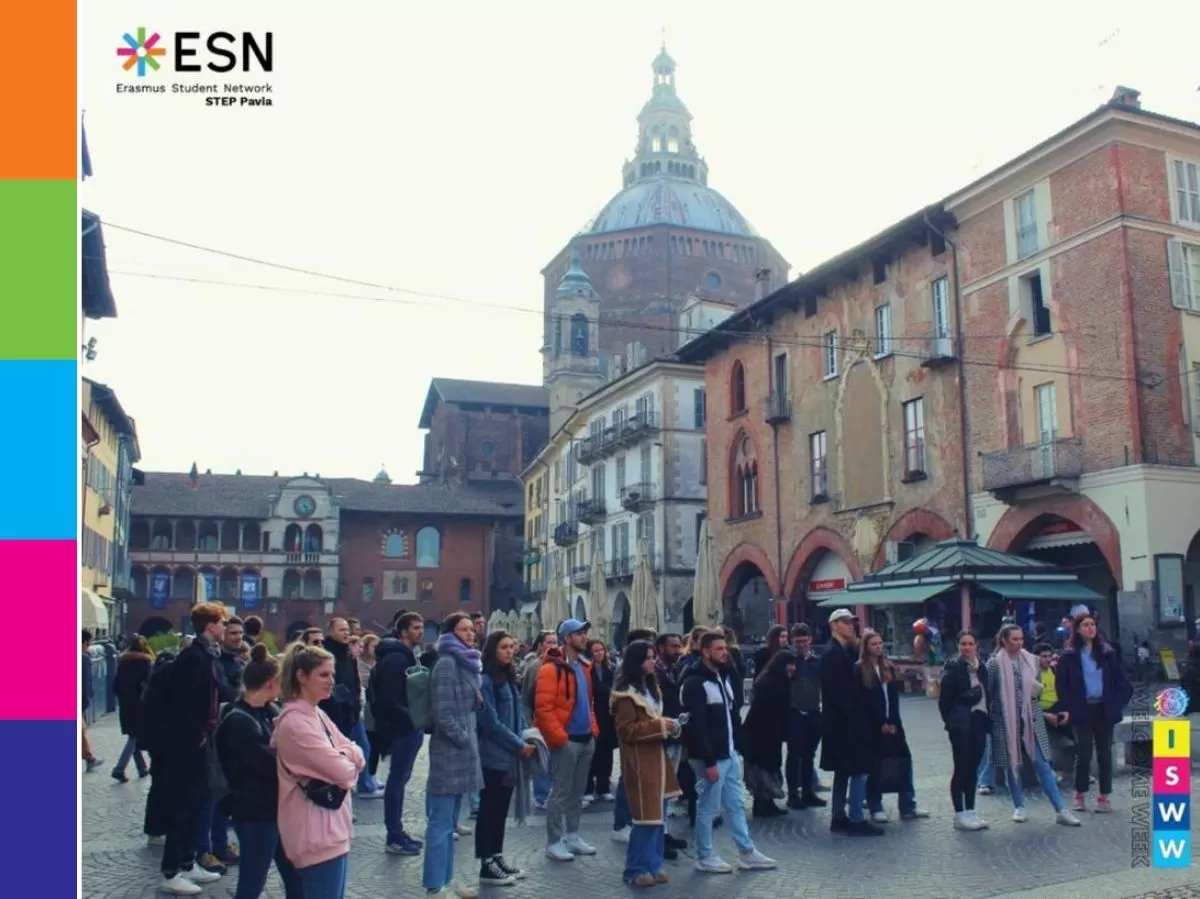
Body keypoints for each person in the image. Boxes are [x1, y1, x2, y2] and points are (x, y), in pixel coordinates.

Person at [273, 641, 366, 899]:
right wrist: (347, 757)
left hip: (332, 830)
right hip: (314, 835)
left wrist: (344, 755)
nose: (331, 680)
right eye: (323, 674)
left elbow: (356, 751)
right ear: (302, 677)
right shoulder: (295, 724)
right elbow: (345, 773)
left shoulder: (317, 714)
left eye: (332, 674)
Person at [680, 629, 776, 874]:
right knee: (708, 806)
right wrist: (709, 760)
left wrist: (739, 748)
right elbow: (697, 726)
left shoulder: (722, 677)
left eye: (726, 648)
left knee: (735, 803)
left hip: (729, 752)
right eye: (720, 649)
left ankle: (746, 851)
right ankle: (704, 854)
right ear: (705, 652)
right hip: (710, 756)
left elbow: (732, 715)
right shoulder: (694, 682)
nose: (726, 653)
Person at [216, 644, 302, 899]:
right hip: (255, 811)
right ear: (270, 682)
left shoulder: (269, 711)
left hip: (277, 807)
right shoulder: (240, 720)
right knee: (253, 880)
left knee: (295, 876)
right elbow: (269, 762)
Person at [156, 603, 228, 894]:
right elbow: (182, 702)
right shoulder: (194, 656)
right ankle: (172, 870)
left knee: (197, 801)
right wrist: (197, 733)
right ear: (210, 625)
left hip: (199, 740)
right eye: (222, 622)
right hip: (187, 744)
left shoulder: (205, 654)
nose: (224, 627)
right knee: (183, 807)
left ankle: (187, 863)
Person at [986, 623, 1081, 827]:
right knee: (1013, 766)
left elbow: (1036, 687)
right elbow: (990, 694)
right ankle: (1019, 805)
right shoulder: (994, 664)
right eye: (1015, 639)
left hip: (1031, 718)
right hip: (1006, 720)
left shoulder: (1030, 660)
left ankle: (1060, 809)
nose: (1019, 643)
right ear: (1004, 640)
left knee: (1043, 764)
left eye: (1021, 639)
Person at [611, 639, 682, 887]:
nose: (654, 661)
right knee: (644, 818)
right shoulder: (625, 696)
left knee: (658, 817)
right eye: (649, 657)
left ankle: (653, 863)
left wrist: (670, 726)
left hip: (656, 759)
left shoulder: (651, 688)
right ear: (637, 662)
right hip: (639, 761)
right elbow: (627, 731)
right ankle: (635, 868)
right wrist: (662, 726)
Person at [424, 613, 485, 899]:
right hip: (450, 751)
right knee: (440, 823)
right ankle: (435, 886)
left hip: (463, 750)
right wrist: (463, 738)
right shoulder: (447, 663)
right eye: (464, 629)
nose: (470, 634)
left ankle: (446, 880)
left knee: (450, 826)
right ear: (450, 633)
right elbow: (443, 713)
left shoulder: (466, 661)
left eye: (472, 630)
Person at [535, 619, 599, 862]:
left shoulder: (584, 666)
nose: (584, 637)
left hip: (585, 738)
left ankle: (573, 835)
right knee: (560, 791)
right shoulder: (551, 669)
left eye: (584, 633)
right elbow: (544, 708)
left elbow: (588, 702)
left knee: (577, 791)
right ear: (567, 638)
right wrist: (559, 738)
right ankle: (554, 841)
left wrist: (593, 728)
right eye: (579, 633)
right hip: (567, 740)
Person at [1056, 610, 1132, 813]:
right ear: (1078, 630)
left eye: (1092, 624)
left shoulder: (1107, 652)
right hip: (1082, 709)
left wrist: (1118, 703)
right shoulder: (1070, 654)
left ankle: (1103, 796)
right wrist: (1067, 707)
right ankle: (1079, 794)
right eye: (1085, 625)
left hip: (1104, 708)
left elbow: (1121, 680)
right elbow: (1061, 684)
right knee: (1084, 752)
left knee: (1105, 752)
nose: (1090, 628)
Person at [475, 630, 535, 885]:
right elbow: (490, 722)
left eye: (512, 646)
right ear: (492, 650)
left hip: (510, 754)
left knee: (500, 810)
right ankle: (486, 863)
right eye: (504, 647)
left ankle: (497, 856)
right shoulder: (486, 680)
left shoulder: (509, 678)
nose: (510, 651)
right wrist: (517, 743)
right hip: (494, 755)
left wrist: (526, 736)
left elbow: (519, 713)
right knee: (489, 808)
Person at [370, 611, 427, 855]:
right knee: (396, 782)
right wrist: (412, 720)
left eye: (422, 626)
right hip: (402, 730)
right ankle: (393, 835)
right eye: (416, 627)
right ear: (403, 632)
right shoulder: (396, 659)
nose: (421, 631)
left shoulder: (405, 656)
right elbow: (389, 699)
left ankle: (397, 831)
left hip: (406, 727)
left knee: (400, 781)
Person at [820, 609, 881, 836]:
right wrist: (856, 719)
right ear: (834, 625)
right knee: (857, 768)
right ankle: (856, 818)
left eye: (852, 622)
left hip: (840, 722)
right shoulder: (832, 654)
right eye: (845, 623)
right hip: (844, 723)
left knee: (843, 770)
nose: (851, 626)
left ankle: (839, 815)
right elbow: (839, 693)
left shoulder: (843, 651)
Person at [858, 629, 928, 824]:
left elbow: (893, 699)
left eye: (880, 643)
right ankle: (875, 806)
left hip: (894, 724)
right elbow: (863, 703)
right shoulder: (860, 669)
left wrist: (894, 722)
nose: (878, 647)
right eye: (874, 644)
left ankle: (908, 804)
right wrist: (879, 724)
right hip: (873, 727)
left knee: (904, 760)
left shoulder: (888, 666)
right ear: (866, 647)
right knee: (875, 765)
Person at [938, 630, 991, 831]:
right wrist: (954, 719)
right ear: (958, 646)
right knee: (961, 767)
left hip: (979, 720)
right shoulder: (953, 668)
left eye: (970, 644)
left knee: (974, 769)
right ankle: (959, 813)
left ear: (976, 645)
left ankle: (971, 810)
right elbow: (944, 702)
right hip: (961, 724)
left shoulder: (982, 668)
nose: (967, 648)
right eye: (963, 644)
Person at [742, 649, 796, 818]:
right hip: (763, 733)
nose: (792, 668)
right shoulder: (773, 683)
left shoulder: (774, 680)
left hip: (767, 732)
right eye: (790, 664)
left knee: (766, 766)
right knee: (763, 767)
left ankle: (766, 801)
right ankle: (762, 803)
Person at [786, 624, 826, 809]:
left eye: (804, 640)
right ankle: (793, 794)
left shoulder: (817, 660)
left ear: (810, 640)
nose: (801, 644)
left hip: (814, 711)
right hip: (794, 713)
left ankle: (809, 791)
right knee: (794, 755)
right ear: (792, 641)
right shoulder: (788, 659)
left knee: (809, 754)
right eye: (797, 641)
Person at [521, 630, 558, 811]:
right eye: (549, 642)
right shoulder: (535, 665)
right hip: (538, 720)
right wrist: (528, 721)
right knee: (543, 759)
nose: (552, 646)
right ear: (541, 644)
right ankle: (541, 796)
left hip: (556, 719)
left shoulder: (560, 664)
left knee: (555, 759)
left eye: (554, 642)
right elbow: (526, 696)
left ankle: (549, 793)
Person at [111, 634, 153, 783]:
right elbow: (149, 686)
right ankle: (119, 768)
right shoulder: (145, 663)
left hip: (125, 703)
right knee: (135, 736)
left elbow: (115, 685)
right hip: (139, 704)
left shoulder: (123, 662)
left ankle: (142, 768)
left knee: (132, 735)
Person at [585, 639, 617, 803]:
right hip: (591, 714)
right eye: (596, 650)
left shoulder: (610, 669)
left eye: (601, 650)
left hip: (608, 716)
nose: (599, 653)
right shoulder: (585, 670)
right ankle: (588, 787)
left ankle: (604, 786)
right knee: (590, 753)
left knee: (606, 752)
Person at [81, 629, 104, 773]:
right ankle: (89, 758)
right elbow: (84, 681)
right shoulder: (83, 657)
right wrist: (85, 699)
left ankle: (89, 757)